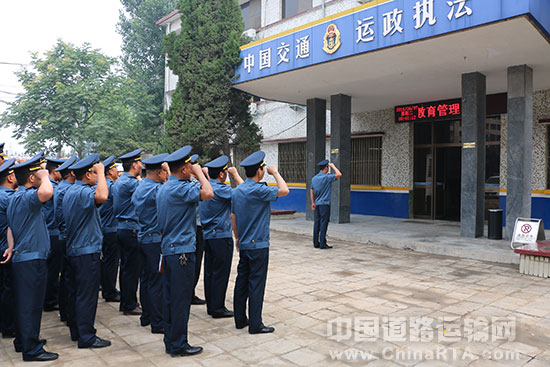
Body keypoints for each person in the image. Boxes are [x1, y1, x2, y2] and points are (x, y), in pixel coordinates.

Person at [157, 146, 213, 357]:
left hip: (169, 249)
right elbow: (208, 193)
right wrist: (199, 173)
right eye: (189, 166)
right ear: (183, 169)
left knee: (171, 297)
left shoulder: (165, 187)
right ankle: (179, 344)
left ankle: (171, 340)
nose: (192, 168)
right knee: (180, 299)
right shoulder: (179, 188)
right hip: (182, 250)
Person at [7, 152, 59, 361]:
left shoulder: (15, 197)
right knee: (31, 305)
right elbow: (47, 192)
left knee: (25, 303)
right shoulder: (28, 197)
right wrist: (46, 175)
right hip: (30, 260)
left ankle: (23, 340)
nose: (43, 174)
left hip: (24, 256)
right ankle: (31, 349)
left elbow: (11, 227)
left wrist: (11, 247)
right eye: (39, 172)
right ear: (32, 178)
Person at [231, 151, 289, 334]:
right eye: (263, 168)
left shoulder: (238, 190)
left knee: (242, 282)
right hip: (259, 245)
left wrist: (238, 238)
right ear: (259, 171)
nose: (264, 171)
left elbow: (233, 216)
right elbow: (285, 190)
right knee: (256, 284)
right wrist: (276, 173)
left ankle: (240, 319)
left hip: (245, 243)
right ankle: (256, 324)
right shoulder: (258, 190)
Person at [62, 154, 111, 348]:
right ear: (88, 176)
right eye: (93, 172)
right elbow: (103, 196)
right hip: (86, 251)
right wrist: (101, 173)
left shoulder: (71, 191)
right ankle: (87, 336)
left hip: (76, 249)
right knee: (87, 295)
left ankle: (77, 331)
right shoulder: (83, 192)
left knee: (76, 293)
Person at [200, 155, 243, 318]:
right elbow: (246, 191)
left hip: (207, 235)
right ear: (222, 174)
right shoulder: (221, 189)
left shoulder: (205, 187)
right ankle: (218, 308)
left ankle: (212, 305)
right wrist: (236, 175)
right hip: (221, 236)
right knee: (220, 273)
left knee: (210, 271)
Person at [132, 153, 170, 334]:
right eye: (164, 171)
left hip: (143, 237)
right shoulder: (157, 189)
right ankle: (158, 322)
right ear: (158, 172)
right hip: (155, 240)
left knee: (146, 279)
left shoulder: (140, 186)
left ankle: (146, 316)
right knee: (157, 281)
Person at [113, 149, 143, 315]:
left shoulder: (121, 180)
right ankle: (130, 304)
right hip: (130, 228)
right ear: (134, 165)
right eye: (139, 163)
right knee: (132, 269)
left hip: (123, 227)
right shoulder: (131, 182)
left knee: (126, 268)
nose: (141, 166)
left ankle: (126, 302)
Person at [54, 156, 78, 323]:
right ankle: (70, 314)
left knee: (66, 278)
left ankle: (65, 312)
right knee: (70, 280)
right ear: (72, 172)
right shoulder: (67, 189)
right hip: (69, 236)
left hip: (64, 236)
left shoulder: (62, 187)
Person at [43, 158, 65, 312]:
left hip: (49, 231)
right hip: (53, 231)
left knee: (51, 268)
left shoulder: (50, 186)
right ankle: (50, 300)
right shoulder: (52, 187)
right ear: (55, 170)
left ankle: (50, 298)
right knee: (52, 269)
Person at [99, 156, 121, 302]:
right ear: (109, 171)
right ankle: (109, 291)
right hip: (111, 227)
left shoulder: (100, 184)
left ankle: (107, 288)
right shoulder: (111, 186)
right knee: (111, 262)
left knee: (107, 261)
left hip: (103, 227)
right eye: (114, 168)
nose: (116, 171)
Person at [0, 158, 16, 339]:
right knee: (10, 289)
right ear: (10, 178)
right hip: (7, 248)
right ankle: (9, 326)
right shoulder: (9, 197)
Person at [310, 160, 342, 249]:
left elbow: (311, 191)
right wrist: (333, 166)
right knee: (324, 223)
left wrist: (313, 202)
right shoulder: (327, 177)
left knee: (317, 223)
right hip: (325, 204)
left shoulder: (314, 178)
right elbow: (339, 174)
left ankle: (316, 242)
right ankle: (323, 244)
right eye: (328, 167)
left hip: (317, 204)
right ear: (326, 168)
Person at [189, 154, 206, 305]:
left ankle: (190, 292)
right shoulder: (194, 183)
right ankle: (190, 293)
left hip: (195, 226)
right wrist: (202, 174)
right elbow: (208, 192)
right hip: (195, 227)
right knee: (195, 262)